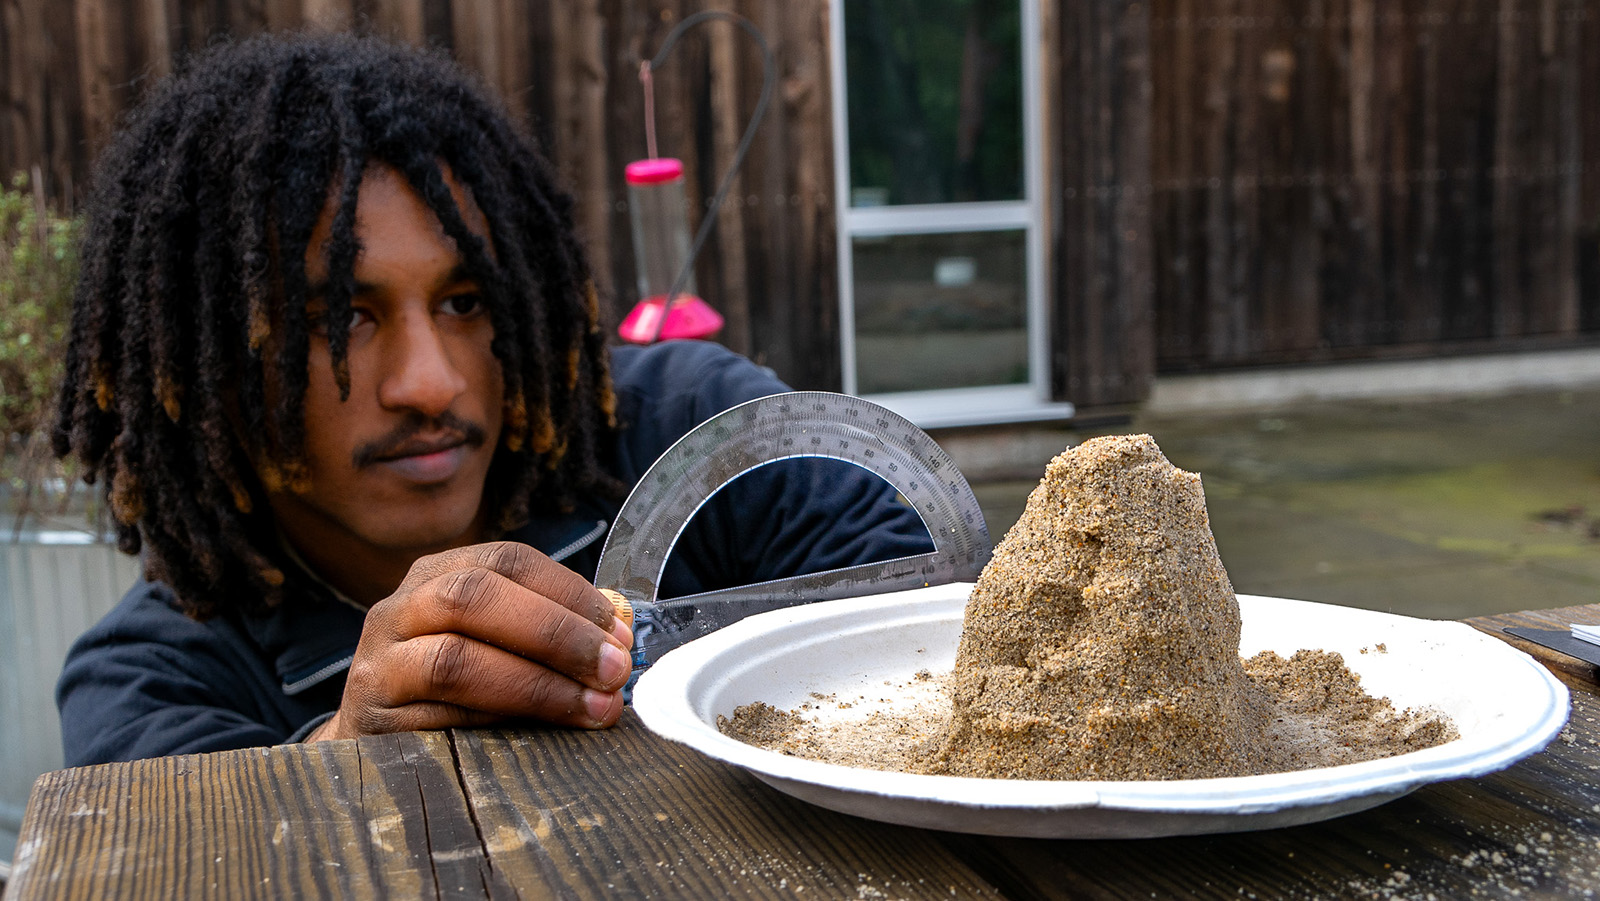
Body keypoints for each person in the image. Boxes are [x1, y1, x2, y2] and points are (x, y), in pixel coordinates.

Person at [52, 31, 932, 766]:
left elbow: (947, 624)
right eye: (340, 318)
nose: (430, 382)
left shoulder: (694, 430)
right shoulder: (147, 680)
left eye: (464, 301)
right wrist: (348, 750)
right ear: (205, 373)